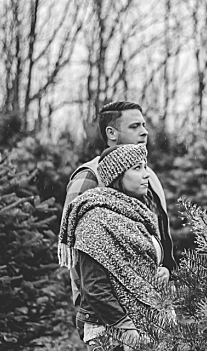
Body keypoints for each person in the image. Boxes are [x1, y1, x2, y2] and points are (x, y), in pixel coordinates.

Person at [56, 102, 175, 303]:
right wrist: (89, 305)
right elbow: (76, 249)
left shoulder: (150, 177)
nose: (144, 132)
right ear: (112, 133)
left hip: (152, 302)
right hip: (108, 311)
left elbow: (161, 236)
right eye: (134, 126)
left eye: (144, 125)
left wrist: (165, 271)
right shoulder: (89, 176)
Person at [61, 143, 169, 350]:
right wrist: (127, 330)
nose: (146, 175)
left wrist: (161, 272)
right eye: (137, 168)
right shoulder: (95, 219)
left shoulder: (139, 214)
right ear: (117, 175)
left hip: (149, 323)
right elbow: (94, 287)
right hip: (112, 333)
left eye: (145, 167)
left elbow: (140, 267)